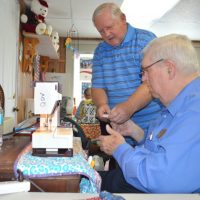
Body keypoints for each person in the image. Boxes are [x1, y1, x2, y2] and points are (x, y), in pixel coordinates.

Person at [97, 34, 200, 193]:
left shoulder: (194, 111)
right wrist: (136, 133)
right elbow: (163, 150)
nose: (143, 79)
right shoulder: (177, 104)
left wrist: (118, 148)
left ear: (169, 69)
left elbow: (161, 180)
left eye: (145, 70)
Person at [91, 3, 162, 143]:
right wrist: (101, 104)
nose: (106, 34)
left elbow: (153, 81)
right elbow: (97, 86)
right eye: (101, 31)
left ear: (123, 18)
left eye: (109, 27)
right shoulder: (100, 51)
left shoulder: (146, 40)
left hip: (151, 129)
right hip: (118, 134)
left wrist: (129, 107)